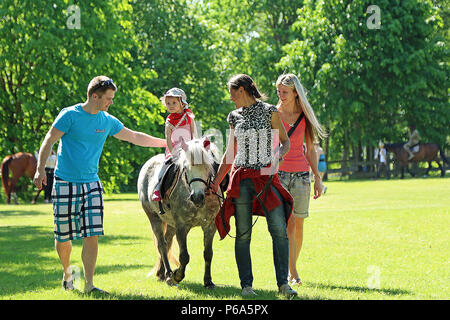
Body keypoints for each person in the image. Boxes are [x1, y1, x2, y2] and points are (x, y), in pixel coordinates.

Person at [33, 76, 166, 294]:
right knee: (63, 236)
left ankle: (89, 285)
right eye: (108, 98)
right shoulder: (70, 115)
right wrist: (39, 170)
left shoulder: (106, 120)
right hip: (65, 182)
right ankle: (67, 273)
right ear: (95, 96)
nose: (110, 102)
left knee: (91, 234)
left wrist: (166, 143)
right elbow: (49, 140)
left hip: (92, 184)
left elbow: (133, 136)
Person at [210, 74, 297, 298]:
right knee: (243, 234)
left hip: (267, 178)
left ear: (243, 90)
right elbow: (230, 153)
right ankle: (246, 286)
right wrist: (216, 182)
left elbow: (285, 142)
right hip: (241, 180)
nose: (231, 98)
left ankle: (283, 284)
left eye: (232, 92)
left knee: (279, 230)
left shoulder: (270, 111)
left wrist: (278, 157)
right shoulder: (233, 116)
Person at [275, 73, 327, 286]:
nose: (281, 95)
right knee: (286, 225)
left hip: (301, 176)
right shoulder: (274, 114)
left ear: (296, 92)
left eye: (284, 92)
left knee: (298, 225)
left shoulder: (304, 116)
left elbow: (311, 150)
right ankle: (292, 272)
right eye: (278, 91)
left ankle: (291, 268)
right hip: (279, 175)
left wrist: (318, 177)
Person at [151, 87, 197, 202]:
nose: (170, 105)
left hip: (189, 148)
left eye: (174, 103)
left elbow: (194, 133)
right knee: (165, 166)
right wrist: (172, 152)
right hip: (174, 149)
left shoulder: (188, 117)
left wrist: (195, 147)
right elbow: (168, 138)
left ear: (182, 103)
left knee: (201, 164)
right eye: (168, 103)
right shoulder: (169, 121)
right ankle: (158, 188)